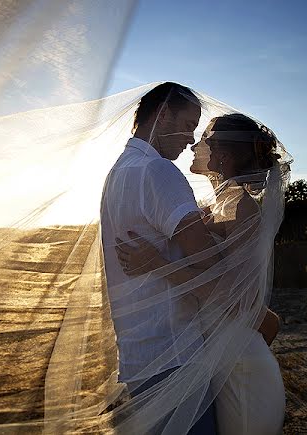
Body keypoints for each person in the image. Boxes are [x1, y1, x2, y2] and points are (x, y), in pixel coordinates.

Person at [115, 113, 286, 435]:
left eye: (204, 140)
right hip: (217, 358)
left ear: (221, 156)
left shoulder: (241, 207)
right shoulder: (213, 206)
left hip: (241, 369)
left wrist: (156, 265)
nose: (194, 145)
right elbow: (267, 319)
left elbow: (236, 301)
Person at [100, 82, 221, 434]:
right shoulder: (157, 171)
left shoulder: (118, 172)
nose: (190, 139)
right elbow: (209, 263)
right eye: (188, 125)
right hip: (174, 350)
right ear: (163, 113)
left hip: (139, 352)